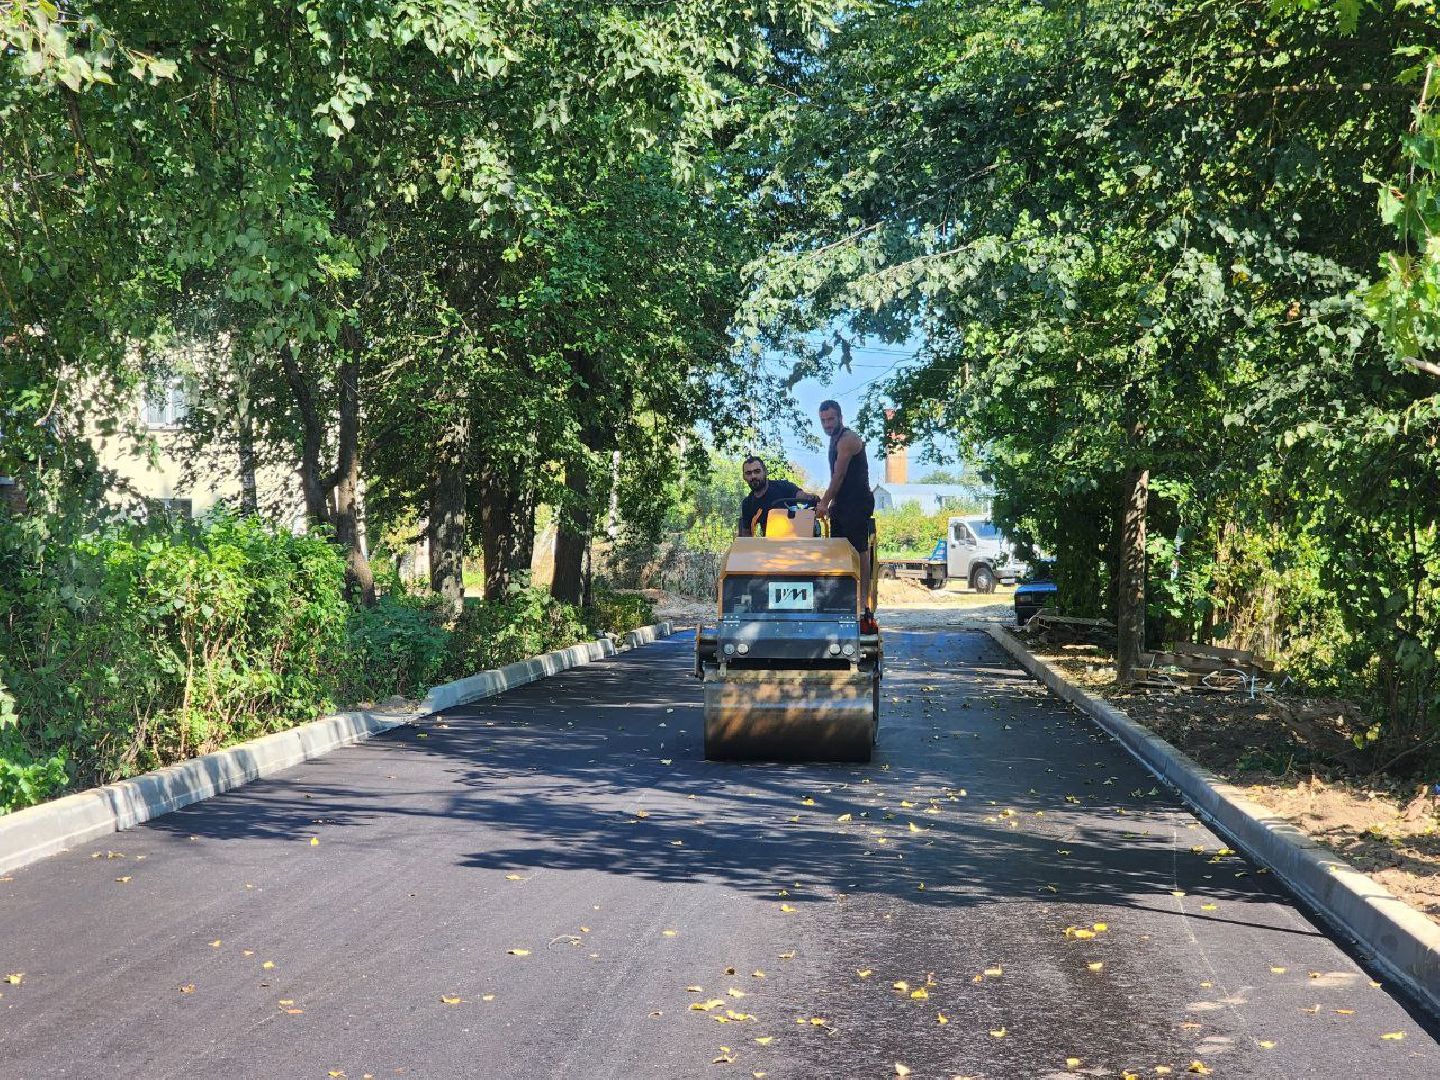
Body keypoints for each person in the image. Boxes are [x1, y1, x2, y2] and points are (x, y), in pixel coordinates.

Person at [815, 400, 876, 611]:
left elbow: (838, 477)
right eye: (823, 420)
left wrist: (824, 503)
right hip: (842, 504)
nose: (827, 424)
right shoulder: (833, 439)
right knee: (838, 550)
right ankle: (840, 597)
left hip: (858, 502)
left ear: (840, 417)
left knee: (859, 549)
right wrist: (830, 504)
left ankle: (864, 601)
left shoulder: (847, 440)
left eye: (831, 419)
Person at [738, 456, 818, 536]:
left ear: (765, 472)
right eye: (748, 473)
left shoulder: (783, 486)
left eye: (757, 471)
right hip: (770, 545)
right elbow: (746, 534)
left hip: (798, 541)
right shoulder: (747, 504)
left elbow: (802, 496)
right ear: (744, 477)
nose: (753, 476)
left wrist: (812, 499)